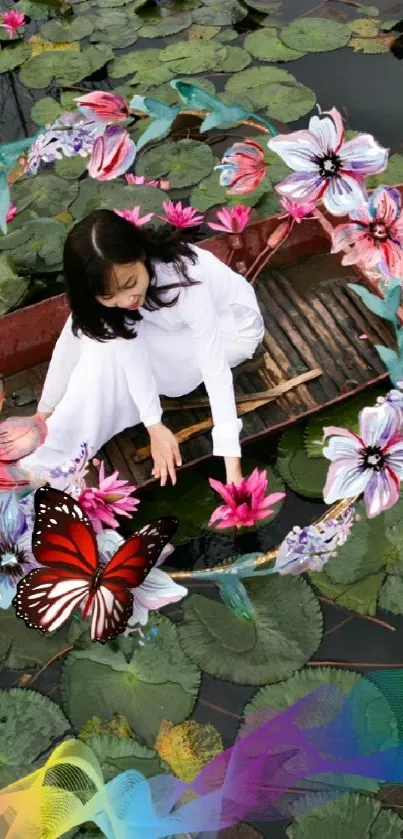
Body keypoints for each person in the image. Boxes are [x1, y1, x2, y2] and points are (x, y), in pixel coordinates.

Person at [22, 209, 264, 488]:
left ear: (140, 254)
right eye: (109, 295)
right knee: (88, 322)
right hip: (166, 327)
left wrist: (231, 467)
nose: (126, 300)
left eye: (130, 283)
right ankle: (48, 418)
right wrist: (154, 425)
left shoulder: (185, 280)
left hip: (230, 331)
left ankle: (60, 452)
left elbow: (215, 371)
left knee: (106, 351)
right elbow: (128, 350)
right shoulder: (114, 299)